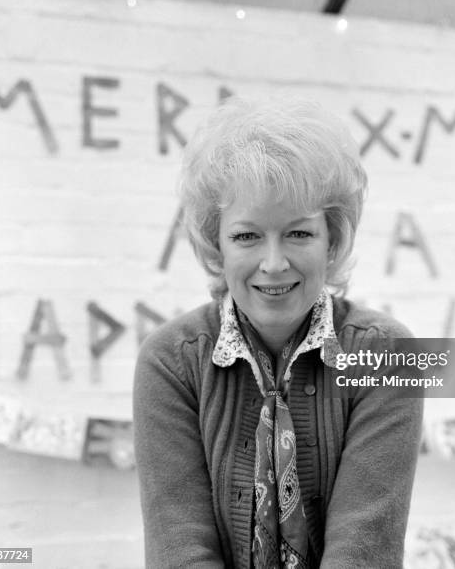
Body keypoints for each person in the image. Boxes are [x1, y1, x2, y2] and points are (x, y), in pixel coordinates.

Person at [133, 97, 423, 568]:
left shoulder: (390, 354)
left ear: (333, 240)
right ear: (217, 245)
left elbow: (365, 550)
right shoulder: (169, 361)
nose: (273, 263)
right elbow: (179, 551)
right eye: (247, 236)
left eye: (299, 234)